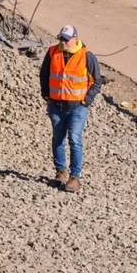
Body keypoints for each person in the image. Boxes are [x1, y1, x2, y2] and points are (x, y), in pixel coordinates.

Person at [42, 24, 101, 190]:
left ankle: (75, 177)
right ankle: (61, 172)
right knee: (57, 139)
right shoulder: (53, 52)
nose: (63, 42)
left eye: (66, 40)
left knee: (75, 139)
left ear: (75, 39)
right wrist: (46, 95)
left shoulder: (86, 56)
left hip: (77, 107)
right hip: (56, 105)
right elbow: (44, 74)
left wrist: (86, 101)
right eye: (61, 38)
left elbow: (97, 81)